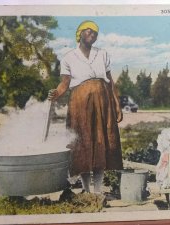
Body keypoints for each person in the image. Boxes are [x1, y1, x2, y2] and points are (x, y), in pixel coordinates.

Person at [48, 20, 123, 194]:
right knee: (83, 144)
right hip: (79, 104)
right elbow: (65, 83)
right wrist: (56, 94)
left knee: (100, 142)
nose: (92, 35)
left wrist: (117, 104)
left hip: (102, 102)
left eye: (95, 33)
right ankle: (86, 190)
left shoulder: (102, 54)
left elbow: (111, 82)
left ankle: (97, 190)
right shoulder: (68, 57)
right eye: (89, 31)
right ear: (80, 33)